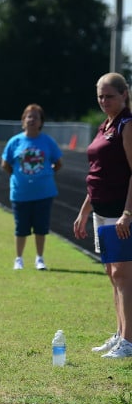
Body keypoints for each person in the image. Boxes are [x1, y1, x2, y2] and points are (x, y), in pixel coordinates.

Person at [74, 72, 132, 359]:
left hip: (120, 212)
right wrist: (85, 211)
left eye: (109, 96)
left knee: (123, 275)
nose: (104, 101)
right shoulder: (104, 125)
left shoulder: (127, 124)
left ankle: (129, 341)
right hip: (101, 211)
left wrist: (128, 212)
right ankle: (120, 333)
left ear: (124, 95)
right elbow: (97, 174)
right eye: (100, 96)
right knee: (112, 274)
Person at [1, 104, 63, 270]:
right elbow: (5, 164)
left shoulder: (48, 142)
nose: (32, 120)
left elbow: (58, 163)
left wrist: (45, 176)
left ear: (41, 122)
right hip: (21, 193)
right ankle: (19, 259)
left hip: (44, 193)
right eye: (29, 116)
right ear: (23, 120)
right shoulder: (15, 142)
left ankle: (39, 258)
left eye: (35, 117)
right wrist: (18, 176)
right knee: (21, 228)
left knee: (41, 228)